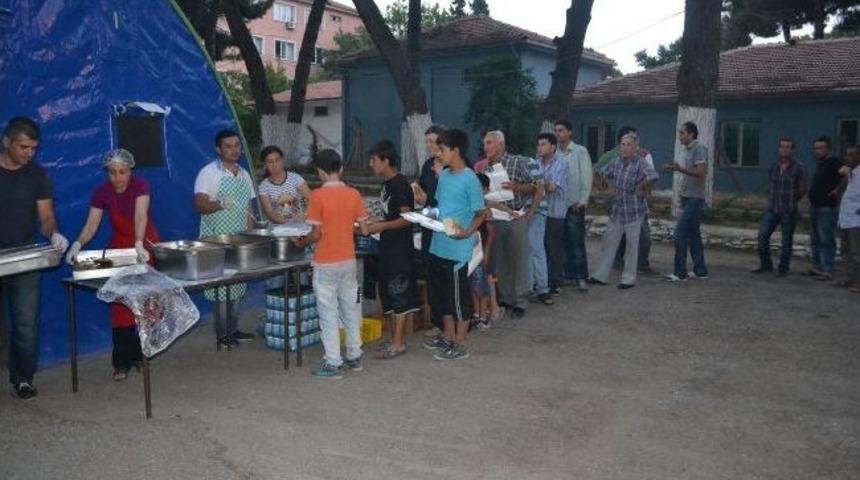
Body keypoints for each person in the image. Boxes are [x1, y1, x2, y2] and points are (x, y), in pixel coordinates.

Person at [65, 149, 160, 381]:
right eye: (112, 172)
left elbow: (140, 216)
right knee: (120, 307)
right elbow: (92, 225)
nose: (118, 177)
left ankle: (140, 356)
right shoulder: (102, 192)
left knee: (145, 304)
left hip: (143, 245)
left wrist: (139, 244)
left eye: (122, 172)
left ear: (131, 170)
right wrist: (77, 244)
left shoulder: (141, 186)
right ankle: (121, 362)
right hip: (119, 248)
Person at [0, 117, 68, 399]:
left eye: (34, 148)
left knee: (26, 323)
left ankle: (23, 378)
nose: (29, 153)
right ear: (7, 142)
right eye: (24, 147)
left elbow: (46, 218)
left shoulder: (38, 176)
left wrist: (54, 235)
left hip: (24, 257)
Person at [293, 150, 369, 379]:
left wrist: (301, 241)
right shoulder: (354, 194)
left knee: (328, 313)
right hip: (348, 260)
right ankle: (354, 355)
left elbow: (316, 234)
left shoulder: (318, 196)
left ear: (319, 172)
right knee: (350, 309)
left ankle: (333, 362)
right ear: (341, 169)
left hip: (326, 262)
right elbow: (364, 229)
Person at [424, 129, 485, 360]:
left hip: (458, 249)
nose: (438, 154)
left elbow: (481, 213)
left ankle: (460, 342)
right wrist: (425, 214)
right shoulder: (445, 176)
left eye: (442, 149)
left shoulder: (470, 179)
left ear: (456, 150)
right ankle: (448, 335)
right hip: (438, 245)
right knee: (442, 295)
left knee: (459, 298)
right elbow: (441, 208)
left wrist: (467, 233)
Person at [194, 129, 257, 349]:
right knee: (221, 289)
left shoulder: (244, 175)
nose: (234, 150)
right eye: (228, 146)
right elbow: (199, 205)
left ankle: (233, 329)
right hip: (216, 240)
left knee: (237, 285)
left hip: (239, 240)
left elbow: (248, 208)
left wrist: (250, 237)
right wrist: (220, 204)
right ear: (218, 149)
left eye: (237, 145)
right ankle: (222, 335)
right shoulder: (209, 173)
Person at [365, 140, 421, 359]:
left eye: (374, 160)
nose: (371, 164)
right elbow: (391, 215)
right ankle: (395, 338)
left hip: (400, 250)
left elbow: (407, 219)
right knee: (388, 294)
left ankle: (398, 343)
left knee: (399, 295)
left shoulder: (400, 184)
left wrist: (382, 226)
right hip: (387, 247)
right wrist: (376, 221)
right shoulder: (386, 185)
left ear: (386, 160)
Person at [588, 132, 658, 289]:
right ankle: (600, 276)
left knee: (632, 246)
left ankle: (628, 279)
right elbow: (600, 173)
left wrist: (641, 187)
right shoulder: (616, 162)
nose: (625, 148)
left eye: (629, 145)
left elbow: (653, 176)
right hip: (618, 209)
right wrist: (604, 188)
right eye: (623, 144)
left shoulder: (640, 163)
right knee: (609, 242)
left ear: (636, 148)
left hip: (634, 210)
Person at [483, 130, 535, 318]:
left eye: (489, 143)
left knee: (518, 259)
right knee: (501, 259)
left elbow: (535, 186)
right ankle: (506, 298)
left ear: (501, 144)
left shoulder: (517, 162)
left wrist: (517, 187)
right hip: (496, 217)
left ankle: (520, 301)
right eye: (485, 143)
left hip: (515, 215)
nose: (485, 147)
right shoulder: (486, 167)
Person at [753, 138, 807, 277]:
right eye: (782, 146)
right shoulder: (774, 166)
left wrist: (792, 200)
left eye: (788, 147)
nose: (784, 149)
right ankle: (766, 265)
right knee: (762, 236)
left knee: (786, 240)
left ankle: (783, 268)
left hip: (788, 209)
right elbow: (771, 185)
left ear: (792, 150)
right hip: (772, 208)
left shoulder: (798, 167)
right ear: (778, 149)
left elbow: (802, 188)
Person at [664, 121, 709, 282]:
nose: (679, 136)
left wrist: (680, 169)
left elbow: (701, 173)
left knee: (679, 234)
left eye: (682, 133)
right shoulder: (689, 149)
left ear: (691, 134)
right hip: (688, 197)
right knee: (693, 235)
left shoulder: (699, 148)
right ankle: (701, 270)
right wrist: (677, 169)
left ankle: (680, 273)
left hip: (694, 199)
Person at [414, 125, 446, 338]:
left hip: (447, 226)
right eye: (426, 141)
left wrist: (430, 203)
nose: (429, 145)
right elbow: (424, 195)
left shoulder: (453, 166)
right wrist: (420, 197)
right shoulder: (427, 165)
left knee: (445, 275)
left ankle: (450, 323)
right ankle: (437, 320)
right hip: (428, 223)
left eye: (432, 141)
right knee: (430, 273)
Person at [554, 120, 592, 293]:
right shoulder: (554, 152)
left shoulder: (579, 151)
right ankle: (566, 275)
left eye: (561, 130)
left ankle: (581, 277)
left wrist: (583, 200)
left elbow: (586, 176)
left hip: (574, 204)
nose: (558, 133)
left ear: (570, 132)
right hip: (558, 205)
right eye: (556, 131)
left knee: (577, 242)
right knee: (561, 242)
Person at [804, 136, 843, 281]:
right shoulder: (821, 164)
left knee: (826, 239)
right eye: (816, 148)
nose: (818, 151)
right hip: (815, 207)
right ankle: (817, 266)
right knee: (815, 239)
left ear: (828, 149)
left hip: (827, 208)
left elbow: (849, 173)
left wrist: (838, 190)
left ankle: (828, 269)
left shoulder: (834, 162)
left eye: (821, 148)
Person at [538, 133, 569, 296]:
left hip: (555, 212)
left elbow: (552, 188)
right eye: (539, 145)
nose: (540, 148)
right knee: (540, 248)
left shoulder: (561, 164)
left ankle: (555, 282)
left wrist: (536, 185)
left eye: (543, 144)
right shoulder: (536, 163)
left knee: (553, 248)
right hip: (539, 212)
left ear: (553, 147)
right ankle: (542, 281)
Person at [258, 145, 312, 224]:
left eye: (277, 160)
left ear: (282, 160)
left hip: (300, 225)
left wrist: (303, 216)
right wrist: (285, 222)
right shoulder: (263, 186)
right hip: (277, 227)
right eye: (270, 162)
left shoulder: (296, 178)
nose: (274, 164)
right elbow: (269, 211)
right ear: (265, 165)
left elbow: (312, 200)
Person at [524, 141, 549, 305]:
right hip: (519, 213)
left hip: (536, 211)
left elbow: (540, 188)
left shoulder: (528, 163)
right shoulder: (491, 166)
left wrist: (532, 211)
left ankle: (542, 289)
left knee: (536, 249)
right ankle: (530, 286)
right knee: (527, 251)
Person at [837, 145, 860, 293]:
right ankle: (849, 278)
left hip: (856, 220)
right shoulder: (850, 173)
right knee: (845, 251)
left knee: (856, 253)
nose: (848, 157)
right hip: (845, 217)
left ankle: (858, 282)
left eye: (852, 155)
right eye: (847, 155)